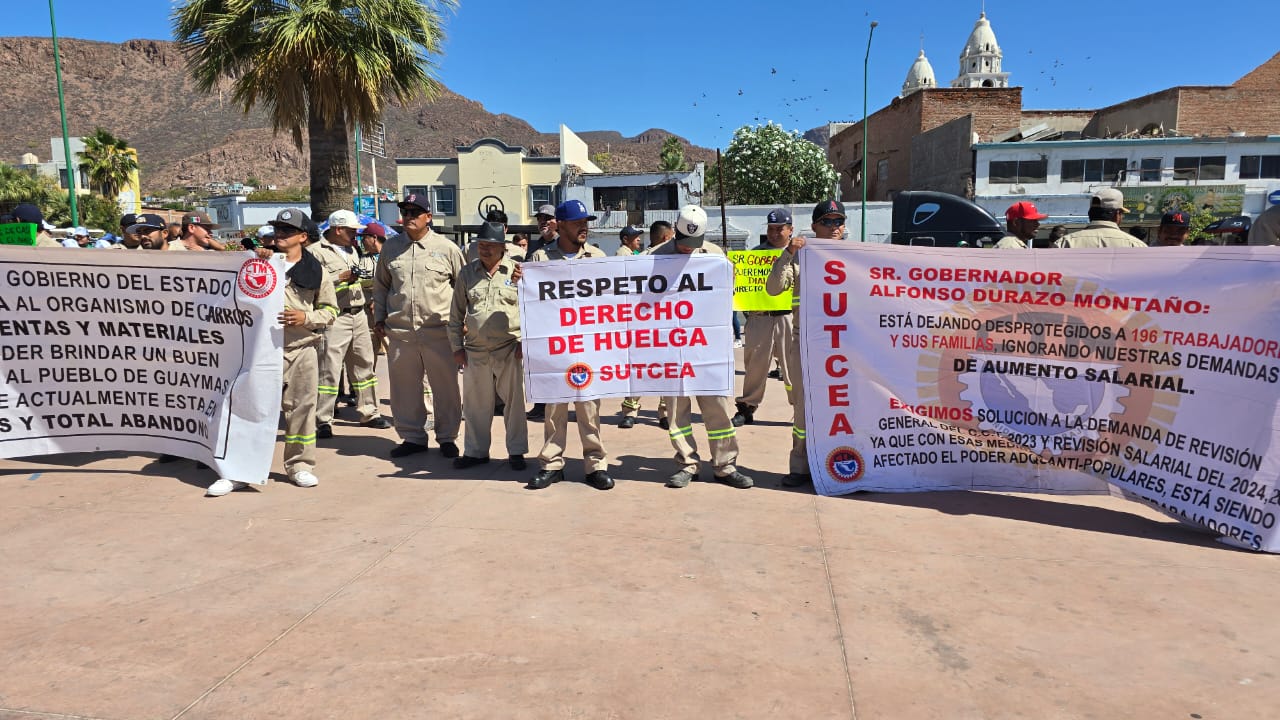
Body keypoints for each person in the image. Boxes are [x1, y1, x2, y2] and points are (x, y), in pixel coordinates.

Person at [207, 208, 337, 496]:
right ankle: (238, 471)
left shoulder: (316, 271)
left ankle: (300, 465)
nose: (279, 235)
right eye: (277, 230)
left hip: (300, 349)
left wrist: (307, 319)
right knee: (247, 409)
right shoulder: (254, 263)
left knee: (301, 410)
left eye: (287, 231)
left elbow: (330, 310)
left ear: (303, 237)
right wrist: (256, 260)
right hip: (256, 351)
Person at [652, 205, 753, 489]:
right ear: (675, 230)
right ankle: (687, 463)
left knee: (717, 408)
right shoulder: (655, 257)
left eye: (693, 243)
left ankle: (725, 465)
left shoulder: (714, 255)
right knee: (676, 411)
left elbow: (726, 298)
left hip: (707, 347)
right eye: (683, 241)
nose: (688, 248)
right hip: (671, 348)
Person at [527, 199, 613, 491]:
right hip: (554, 348)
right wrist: (518, 280)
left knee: (589, 408)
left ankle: (595, 465)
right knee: (554, 410)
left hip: (588, 346)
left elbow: (611, 300)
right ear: (560, 225)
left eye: (586, 222)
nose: (584, 227)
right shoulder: (540, 259)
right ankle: (552, 464)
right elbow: (529, 302)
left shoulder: (598, 256)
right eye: (577, 222)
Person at [372, 192, 465, 459]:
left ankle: (447, 437)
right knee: (405, 389)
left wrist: (463, 325)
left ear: (428, 217)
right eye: (406, 212)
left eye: (415, 212)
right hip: (401, 332)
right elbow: (381, 287)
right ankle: (412, 437)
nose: (409, 217)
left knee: (445, 388)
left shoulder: (447, 249)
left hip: (438, 331)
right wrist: (380, 318)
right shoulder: (390, 248)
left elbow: (462, 290)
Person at [767, 200, 846, 488]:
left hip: (845, 344)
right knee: (804, 408)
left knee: (844, 407)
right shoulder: (800, 256)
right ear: (813, 226)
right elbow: (774, 287)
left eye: (838, 221)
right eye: (827, 222)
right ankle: (800, 465)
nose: (834, 227)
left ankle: (845, 461)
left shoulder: (857, 257)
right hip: (807, 342)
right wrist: (788, 252)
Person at [449, 221, 528, 470]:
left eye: (490, 246)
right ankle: (475, 451)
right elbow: (455, 316)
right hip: (475, 350)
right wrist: (456, 348)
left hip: (509, 348)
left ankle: (516, 452)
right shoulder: (467, 274)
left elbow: (532, 311)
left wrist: (524, 343)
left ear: (502, 248)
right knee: (475, 405)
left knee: (514, 404)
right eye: (481, 245)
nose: (484, 250)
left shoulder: (518, 272)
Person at [310, 209, 389, 437]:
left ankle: (369, 412)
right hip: (335, 317)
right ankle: (323, 419)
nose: (356, 234)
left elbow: (359, 278)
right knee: (329, 370)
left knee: (365, 365)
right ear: (338, 229)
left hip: (360, 314)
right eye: (352, 230)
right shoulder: (316, 252)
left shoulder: (353, 250)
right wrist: (340, 277)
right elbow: (312, 284)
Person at [733, 208, 795, 427]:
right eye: (771, 229)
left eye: (780, 229)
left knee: (793, 367)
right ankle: (747, 408)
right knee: (754, 367)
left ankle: (801, 408)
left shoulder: (800, 256)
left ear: (790, 230)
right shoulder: (755, 255)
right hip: (760, 318)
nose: (775, 233)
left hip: (789, 318)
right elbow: (742, 286)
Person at [615, 223, 667, 429]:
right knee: (636, 367)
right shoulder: (640, 257)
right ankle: (630, 410)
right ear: (664, 238)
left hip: (664, 322)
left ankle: (665, 412)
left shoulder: (673, 259)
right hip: (638, 321)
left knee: (665, 369)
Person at [1057, 190, 1147, 249]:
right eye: (1122, 214)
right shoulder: (1136, 246)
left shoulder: (1064, 243)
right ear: (1117, 215)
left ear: (1090, 214)